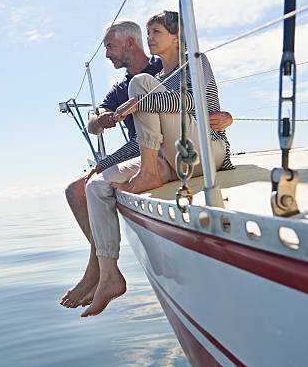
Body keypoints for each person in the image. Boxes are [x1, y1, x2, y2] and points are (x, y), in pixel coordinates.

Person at [60, 19, 232, 309]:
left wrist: (226, 119)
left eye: (110, 47)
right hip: (145, 150)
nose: (106, 55)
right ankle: (105, 270)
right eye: (149, 33)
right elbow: (96, 121)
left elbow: (197, 102)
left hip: (172, 146)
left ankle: (96, 271)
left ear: (130, 43)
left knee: (141, 89)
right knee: (83, 188)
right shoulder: (123, 86)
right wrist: (101, 120)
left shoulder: (167, 69)